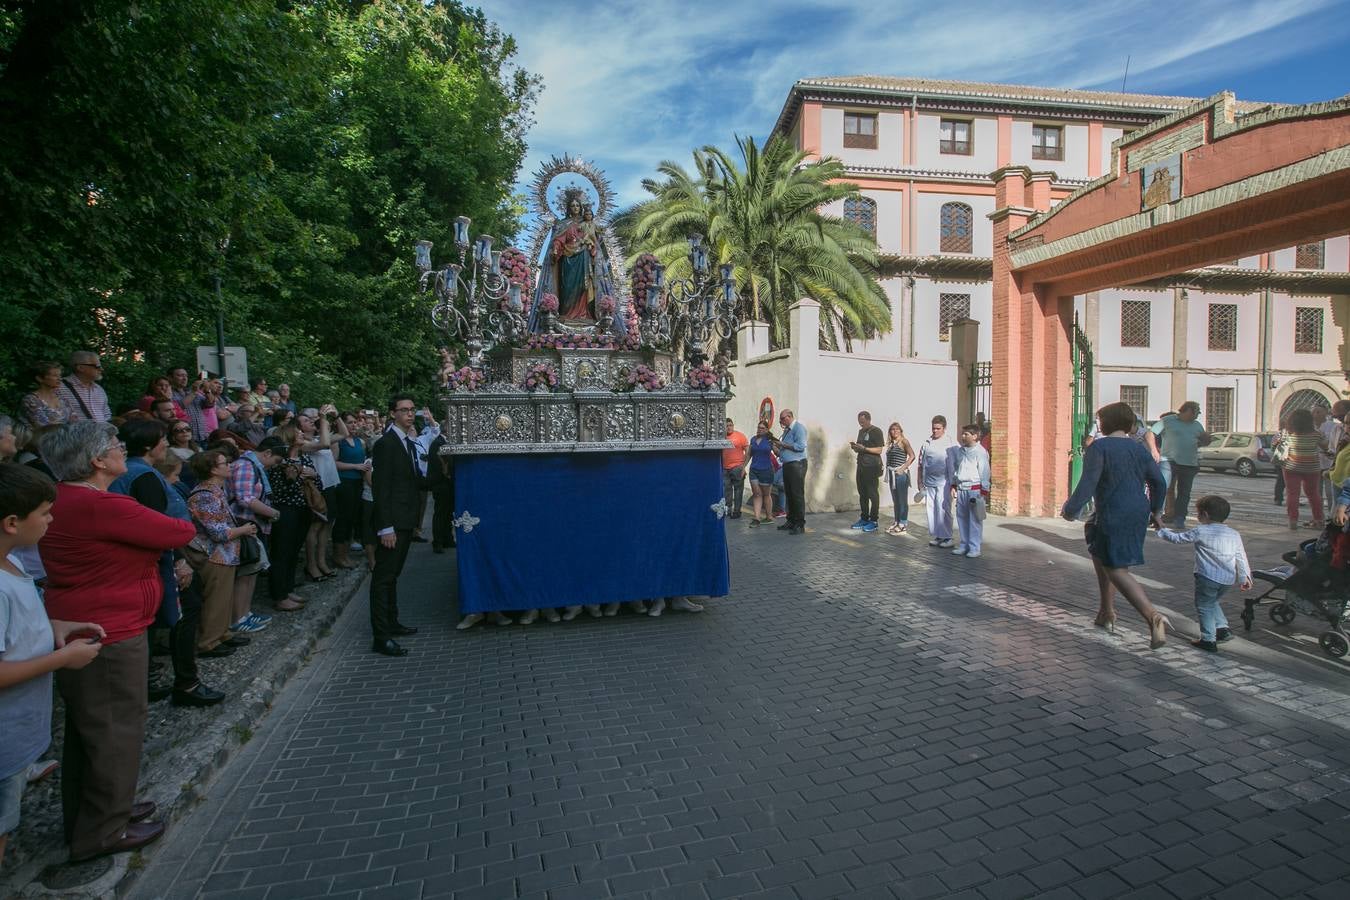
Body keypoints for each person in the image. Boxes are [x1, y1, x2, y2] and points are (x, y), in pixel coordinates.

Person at [39, 421, 196, 860]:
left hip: (83, 618)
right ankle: (104, 831)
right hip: (111, 627)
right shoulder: (102, 505)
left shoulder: (64, 498)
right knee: (115, 729)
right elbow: (179, 530)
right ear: (97, 460)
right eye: (114, 445)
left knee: (88, 729)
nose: (121, 448)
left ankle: (95, 813)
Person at [0, 463, 105, 869]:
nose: (51, 520)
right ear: (12, 522)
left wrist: (53, 627)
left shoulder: (13, 563)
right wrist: (62, 658)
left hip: (16, 734)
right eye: (44, 513)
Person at [109, 418, 225, 708]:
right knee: (186, 612)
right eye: (163, 439)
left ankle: (148, 680)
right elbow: (155, 525)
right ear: (150, 446)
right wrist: (178, 561)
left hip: (153, 558)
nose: (166, 444)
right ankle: (186, 683)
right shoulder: (143, 476)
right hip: (162, 559)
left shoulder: (134, 472)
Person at [1061, 401, 1170, 650]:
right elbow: (1159, 483)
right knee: (1104, 556)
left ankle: (1152, 616)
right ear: (1130, 425)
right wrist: (1156, 510)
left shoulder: (1099, 447)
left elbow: (1088, 483)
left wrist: (1071, 509)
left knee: (1116, 568)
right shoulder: (1139, 449)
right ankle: (1106, 612)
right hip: (1137, 510)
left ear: (1105, 424)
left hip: (1112, 510)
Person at [186, 450, 258, 680]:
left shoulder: (217, 489)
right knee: (215, 599)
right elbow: (217, 532)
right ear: (212, 469)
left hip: (226, 554)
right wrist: (244, 529)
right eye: (224, 463)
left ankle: (222, 634)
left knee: (224, 597)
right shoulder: (204, 495)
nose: (229, 465)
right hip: (214, 555)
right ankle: (209, 642)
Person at [1157, 495, 1251, 653]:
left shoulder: (1200, 531)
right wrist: (1244, 577)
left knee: (1204, 606)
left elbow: (1177, 539)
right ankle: (1222, 629)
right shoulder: (1234, 534)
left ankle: (1208, 639)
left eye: (1198, 513)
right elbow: (1241, 556)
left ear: (1205, 514)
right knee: (1212, 601)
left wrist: (1161, 529)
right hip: (1227, 579)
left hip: (1207, 577)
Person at [369, 395, 424, 655]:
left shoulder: (406, 442)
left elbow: (413, 480)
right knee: (383, 578)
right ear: (392, 413)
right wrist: (385, 527)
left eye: (412, 410)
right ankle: (381, 637)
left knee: (393, 576)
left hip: (404, 519)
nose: (409, 414)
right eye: (404, 410)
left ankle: (392, 621)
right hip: (392, 523)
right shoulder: (386, 444)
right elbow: (381, 489)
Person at [228, 436, 285, 632]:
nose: (274, 465)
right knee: (245, 573)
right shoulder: (246, 465)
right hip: (244, 523)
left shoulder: (254, 466)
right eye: (276, 461)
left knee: (252, 571)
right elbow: (245, 498)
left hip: (254, 524)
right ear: (267, 453)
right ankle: (238, 618)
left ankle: (246, 613)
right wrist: (273, 513)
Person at [266, 424, 315, 613]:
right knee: (282, 552)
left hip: (304, 508)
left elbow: (316, 483)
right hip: (285, 510)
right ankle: (279, 595)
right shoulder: (279, 462)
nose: (302, 433)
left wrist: (313, 475)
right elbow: (279, 491)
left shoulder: (304, 457)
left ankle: (288, 588)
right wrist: (300, 478)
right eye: (298, 432)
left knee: (294, 551)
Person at [1151, 400, 1210, 529]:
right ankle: (1158, 516)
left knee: (1184, 493)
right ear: (1188, 410)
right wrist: (1154, 450)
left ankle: (1179, 518)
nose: (1198, 415)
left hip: (1189, 463)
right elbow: (1151, 433)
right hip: (1169, 461)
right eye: (1197, 412)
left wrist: (1206, 439)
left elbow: (1204, 441)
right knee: (1164, 488)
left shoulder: (1197, 425)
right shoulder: (1167, 420)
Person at [334, 411, 372, 567]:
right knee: (343, 519)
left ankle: (346, 554)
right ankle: (339, 555)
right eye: (350, 422)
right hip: (344, 482)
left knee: (353, 519)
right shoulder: (337, 441)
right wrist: (355, 466)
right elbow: (334, 463)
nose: (353, 425)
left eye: (355, 422)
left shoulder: (359, 441)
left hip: (358, 483)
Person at [947, 423, 991, 557]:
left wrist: (984, 491)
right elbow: (957, 468)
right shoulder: (960, 451)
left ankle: (974, 547)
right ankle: (964, 545)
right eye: (963, 434)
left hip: (974, 489)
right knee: (962, 518)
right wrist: (954, 485)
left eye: (966, 434)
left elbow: (984, 471)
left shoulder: (980, 452)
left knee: (975, 519)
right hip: (962, 488)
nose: (963, 437)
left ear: (975, 436)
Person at [1281, 408, 1325, 531]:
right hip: (1312, 468)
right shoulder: (1316, 434)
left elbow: (1277, 445)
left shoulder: (1287, 434)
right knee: (1313, 494)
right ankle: (1319, 520)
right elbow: (1326, 446)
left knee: (1292, 494)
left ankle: (1293, 521)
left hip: (1291, 467)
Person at [917, 416, 955, 549]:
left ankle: (948, 537)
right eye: (933, 428)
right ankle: (939, 536)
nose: (935, 431)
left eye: (938, 428)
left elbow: (956, 463)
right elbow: (921, 464)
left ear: (944, 428)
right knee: (932, 510)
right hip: (929, 483)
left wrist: (954, 484)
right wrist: (920, 482)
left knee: (943, 510)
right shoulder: (927, 443)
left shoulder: (951, 443)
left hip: (944, 483)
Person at [773, 409, 808, 535]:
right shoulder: (787, 430)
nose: (781, 421)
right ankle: (791, 520)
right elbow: (786, 448)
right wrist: (777, 446)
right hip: (788, 464)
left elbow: (800, 446)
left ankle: (799, 524)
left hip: (797, 464)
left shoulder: (798, 428)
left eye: (782, 419)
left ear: (789, 417)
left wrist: (783, 444)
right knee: (789, 493)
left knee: (797, 494)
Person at [849, 411, 885, 532]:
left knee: (872, 494)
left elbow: (879, 450)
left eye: (863, 422)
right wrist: (856, 448)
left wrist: (864, 448)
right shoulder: (861, 432)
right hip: (861, 466)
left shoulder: (876, 431)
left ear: (869, 420)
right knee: (862, 493)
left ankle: (874, 521)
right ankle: (864, 518)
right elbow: (861, 448)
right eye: (859, 422)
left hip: (872, 467)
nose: (861, 424)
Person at [57, 351, 112, 423]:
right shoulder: (59, 387)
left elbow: (107, 415)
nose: (101, 369)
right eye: (97, 366)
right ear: (80, 368)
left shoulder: (99, 389)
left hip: (101, 430)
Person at [883, 422, 915, 535]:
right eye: (892, 429)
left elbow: (912, 456)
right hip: (892, 474)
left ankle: (903, 523)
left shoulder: (904, 441)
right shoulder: (891, 444)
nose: (895, 431)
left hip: (901, 475)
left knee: (902, 500)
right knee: (896, 500)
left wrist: (902, 468)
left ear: (901, 431)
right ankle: (896, 521)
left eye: (897, 429)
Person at [20, 360, 72, 428]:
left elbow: (74, 420)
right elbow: (43, 427)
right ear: (39, 378)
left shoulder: (62, 398)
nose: (60, 378)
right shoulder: (31, 400)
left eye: (60, 375)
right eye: (55, 375)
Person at [746, 421, 776, 526]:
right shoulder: (753, 439)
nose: (759, 430)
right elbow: (749, 454)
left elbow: (778, 452)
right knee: (757, 494)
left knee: (766, 494)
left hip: (766, 471)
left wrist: (777, 446)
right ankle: (757, 519)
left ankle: (769, 517)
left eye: (762, 428)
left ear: (767, 430)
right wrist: (743, 467)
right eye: (759, 427)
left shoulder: (769, 440)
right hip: (754, 470)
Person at [722, 418, 749, 520]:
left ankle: (737, 511)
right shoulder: (721, 437)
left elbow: (748, 451)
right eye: (726, 426)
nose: (729, 427)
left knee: (738, 490)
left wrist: (743, 466)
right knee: (726, 490)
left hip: (737, 467)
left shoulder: (740, 436)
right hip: (724, 468)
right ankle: (728, 510)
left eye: (730, 425)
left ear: (733, 425)